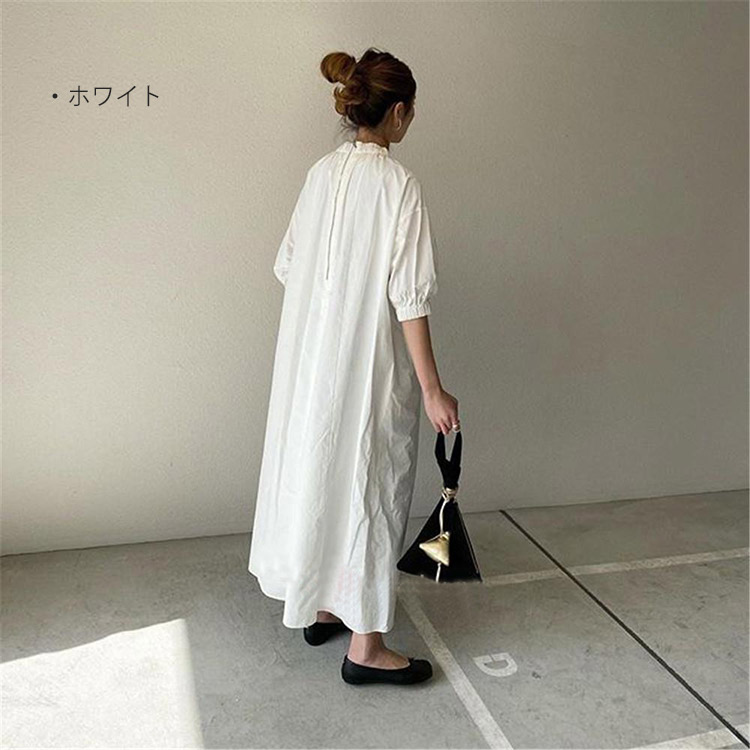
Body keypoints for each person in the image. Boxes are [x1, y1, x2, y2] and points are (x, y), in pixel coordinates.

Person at [247, 47, 460, 686]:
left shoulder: (319, 174)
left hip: (310, 365)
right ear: (398, 113)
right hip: (368, 368)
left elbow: (287, 265)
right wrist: (433, 389)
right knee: (369, 483)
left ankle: (320, 605)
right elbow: (409, 296)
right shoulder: (399, 186)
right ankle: (366, 647)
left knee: (317, 472)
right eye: (411, 110)